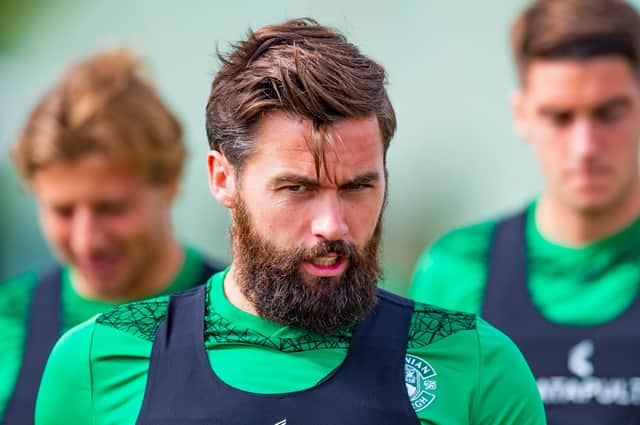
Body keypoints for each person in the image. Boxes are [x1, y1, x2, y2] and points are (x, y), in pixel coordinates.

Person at [36, 19, 545, 425]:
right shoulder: (99, 360)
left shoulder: (475, 364)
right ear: (222, 179)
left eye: (357, 187)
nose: (331, 224)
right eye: (296, 189)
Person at [409, 0, 640, 423]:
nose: (585, 147)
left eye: (609, 113)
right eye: (560, 117)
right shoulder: (456, 271)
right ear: (522, 115)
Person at [1, 49, 223, 425]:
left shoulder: (245, 318)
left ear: (170, 182)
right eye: (63, 212)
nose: (87, 241)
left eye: (111, 209)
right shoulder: (8, 321)